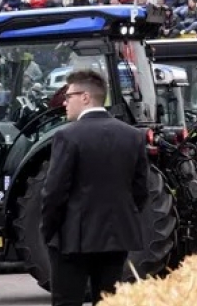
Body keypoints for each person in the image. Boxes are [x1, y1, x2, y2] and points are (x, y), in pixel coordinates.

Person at [40, 70, 149, 306]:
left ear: (86, 97)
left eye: (68, 96)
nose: (64, 103)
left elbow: (54, 192)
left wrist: (48, 231)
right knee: (108, 301)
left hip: (72, 240)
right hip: (116, 237)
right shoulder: (133, 136)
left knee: (67, 301)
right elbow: (140, 190)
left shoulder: (67, 136)